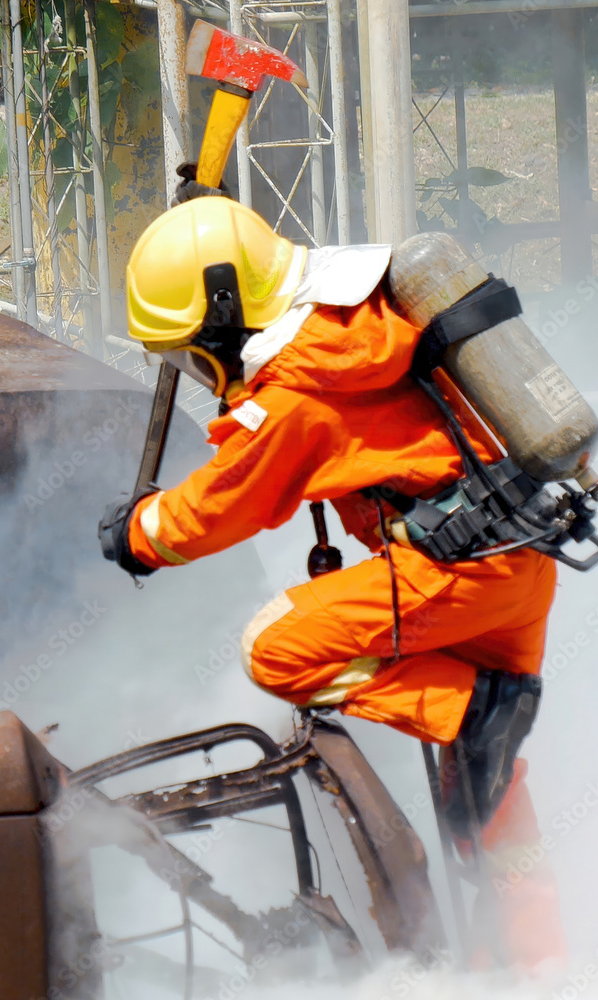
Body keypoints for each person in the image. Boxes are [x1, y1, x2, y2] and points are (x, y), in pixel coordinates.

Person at [100, 194, 567, 972]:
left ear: (222, 320)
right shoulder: (360, 320)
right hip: (516, 553)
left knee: (275, 648)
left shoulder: (293, 394)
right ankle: (533, 969)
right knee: (484, 794)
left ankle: (463, 703)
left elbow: (214, 510)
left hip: (443, 570)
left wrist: (136, 535)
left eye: (192, 351)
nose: (197, 369)